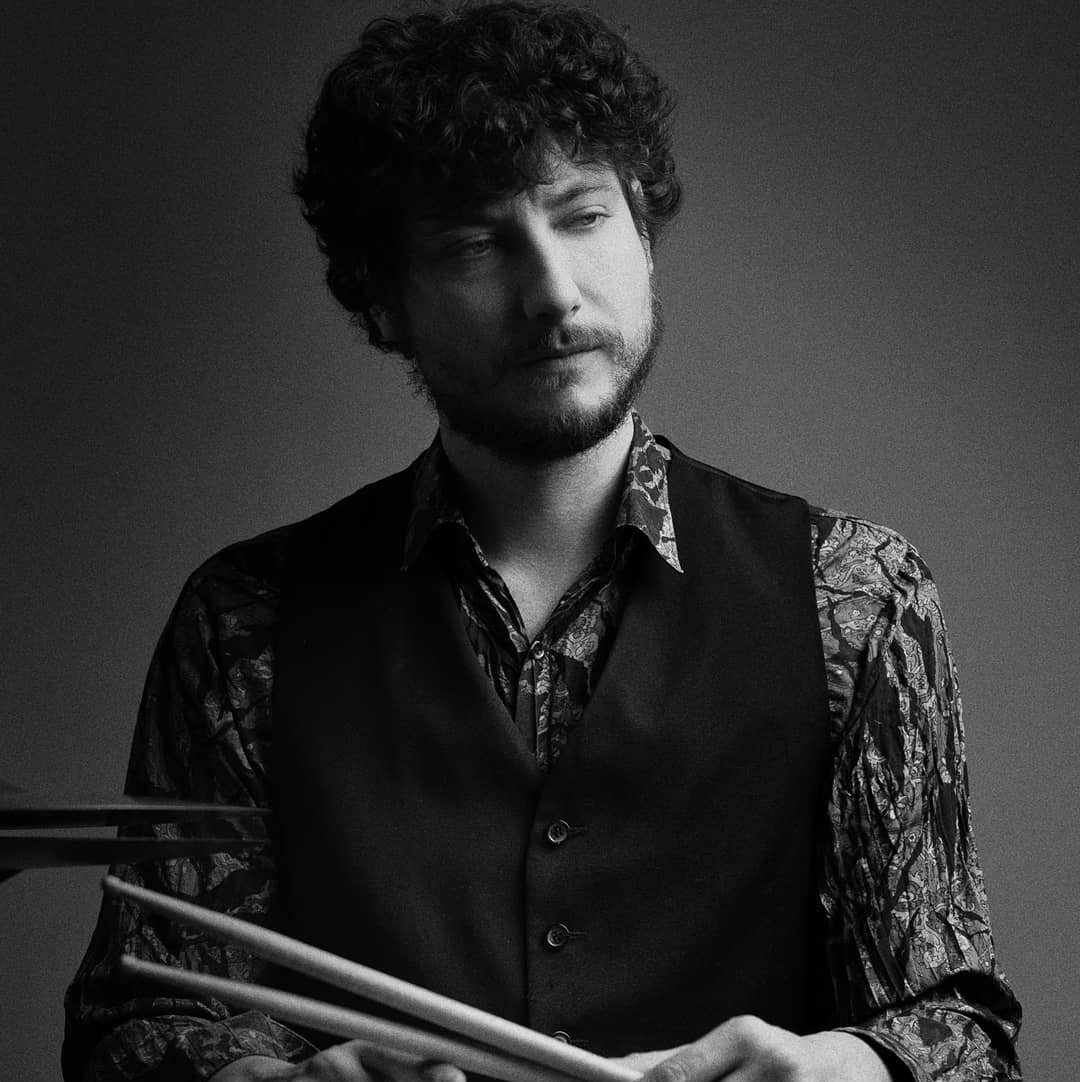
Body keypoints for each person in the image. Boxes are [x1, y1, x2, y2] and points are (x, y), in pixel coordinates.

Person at [63, 3, 1022, 1080]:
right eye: (476, 244)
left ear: (643, 228)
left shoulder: (857, 596)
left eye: (583, 215)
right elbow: (138, 1019)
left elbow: (959, 1031)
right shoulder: (243, 622)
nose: (553, 293)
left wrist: (849, 1068)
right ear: (382, 299)